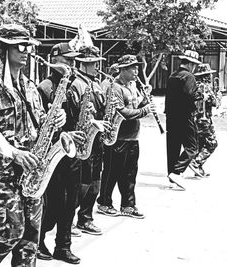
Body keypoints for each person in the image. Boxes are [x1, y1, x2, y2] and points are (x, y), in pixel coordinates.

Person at [0, 24, 66, 267]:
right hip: (2, 173)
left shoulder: (30, 86)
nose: (27, 52)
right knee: (9, 234)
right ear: (4, 49)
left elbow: (39, 122)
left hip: (31, 172)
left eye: (29, 47)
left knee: (30, 238)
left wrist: (55, 120)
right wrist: (13, 152)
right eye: (21, 47)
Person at [36, 42, 84, 264]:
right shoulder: (45, 87)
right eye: (68, 60)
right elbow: (40, 126)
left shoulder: (74, 85)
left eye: (74, 60)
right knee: (53, 204)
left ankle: (63, 247)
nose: (72, 64)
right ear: (55, 60)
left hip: (71, 153)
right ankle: (37, 239)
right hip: (54, 152)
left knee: (71, 202)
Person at [97, 55, 155, 219]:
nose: (136, 71)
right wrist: (145, 111)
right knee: (112, 172)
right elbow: (122, 112)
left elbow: (136, 107)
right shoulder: (114, 87)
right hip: (118, 137)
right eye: (132, 68)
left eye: (137, 67)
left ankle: (128, 205)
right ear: (123, 70)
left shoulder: (133, 86)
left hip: (132, 137)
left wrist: (145, 101)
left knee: (130, 173)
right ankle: (104, 202)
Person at [73, 46, 109, 235]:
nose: (96, 67)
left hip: (97, 140)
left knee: (95, 182)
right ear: (83, 64)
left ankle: (86, 218)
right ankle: (69, 218)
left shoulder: (96, 83)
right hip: (84, 139)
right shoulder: (77, 84)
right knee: (82, 183)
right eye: (93, 63)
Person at [165, 50, 201, 189]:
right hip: (185, 116)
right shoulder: (189, 76)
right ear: (191, 64)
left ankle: (172, 175)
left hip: (171, 116)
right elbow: (189, 95)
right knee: (192, 146)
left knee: (173, 146)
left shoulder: (173, 76)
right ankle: (177, 171)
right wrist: (200, 96)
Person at [189, 63, 219, 177]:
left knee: (200, 144)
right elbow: (216, 103)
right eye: (209, 75)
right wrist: (218, 94)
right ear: (206, 76)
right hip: (204, 120)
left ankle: (198, 169)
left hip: (195, 119)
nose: (211, 77)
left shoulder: (194, 86)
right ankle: (196, 162)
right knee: (212, 143)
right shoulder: (206, 87)